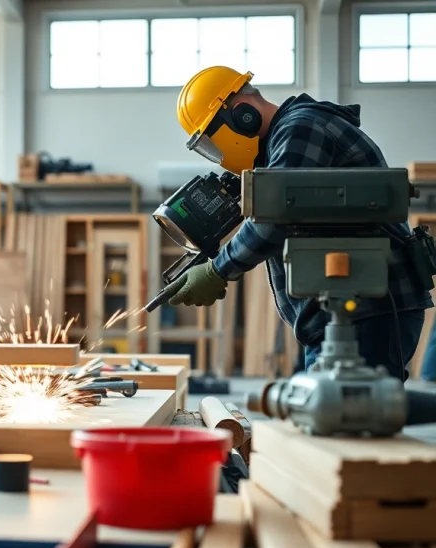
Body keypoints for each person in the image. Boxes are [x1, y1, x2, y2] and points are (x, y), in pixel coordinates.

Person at [165, 65, 434, 380]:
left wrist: (218, 270)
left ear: (242, 115)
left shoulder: (301, 128)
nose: (220, 153)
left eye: (214, 141)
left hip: (367, 311)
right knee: (338, 418)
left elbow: (277, 215)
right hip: (347, 313)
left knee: (348, 417)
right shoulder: (284, 142)